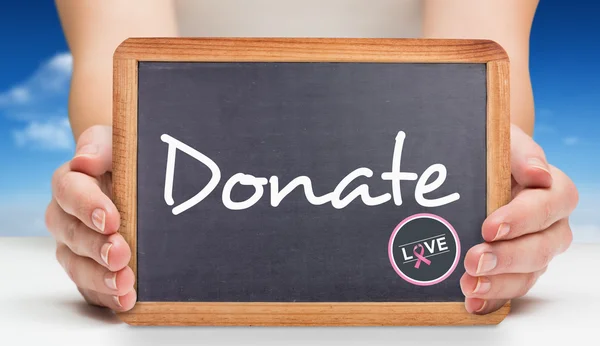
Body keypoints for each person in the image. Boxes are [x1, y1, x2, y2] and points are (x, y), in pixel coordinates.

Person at [47, 0, 578, 315]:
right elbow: (124, 80)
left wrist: (505, 188)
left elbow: (476, 79)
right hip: (191, 236)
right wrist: (109, 187)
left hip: (410, 227)